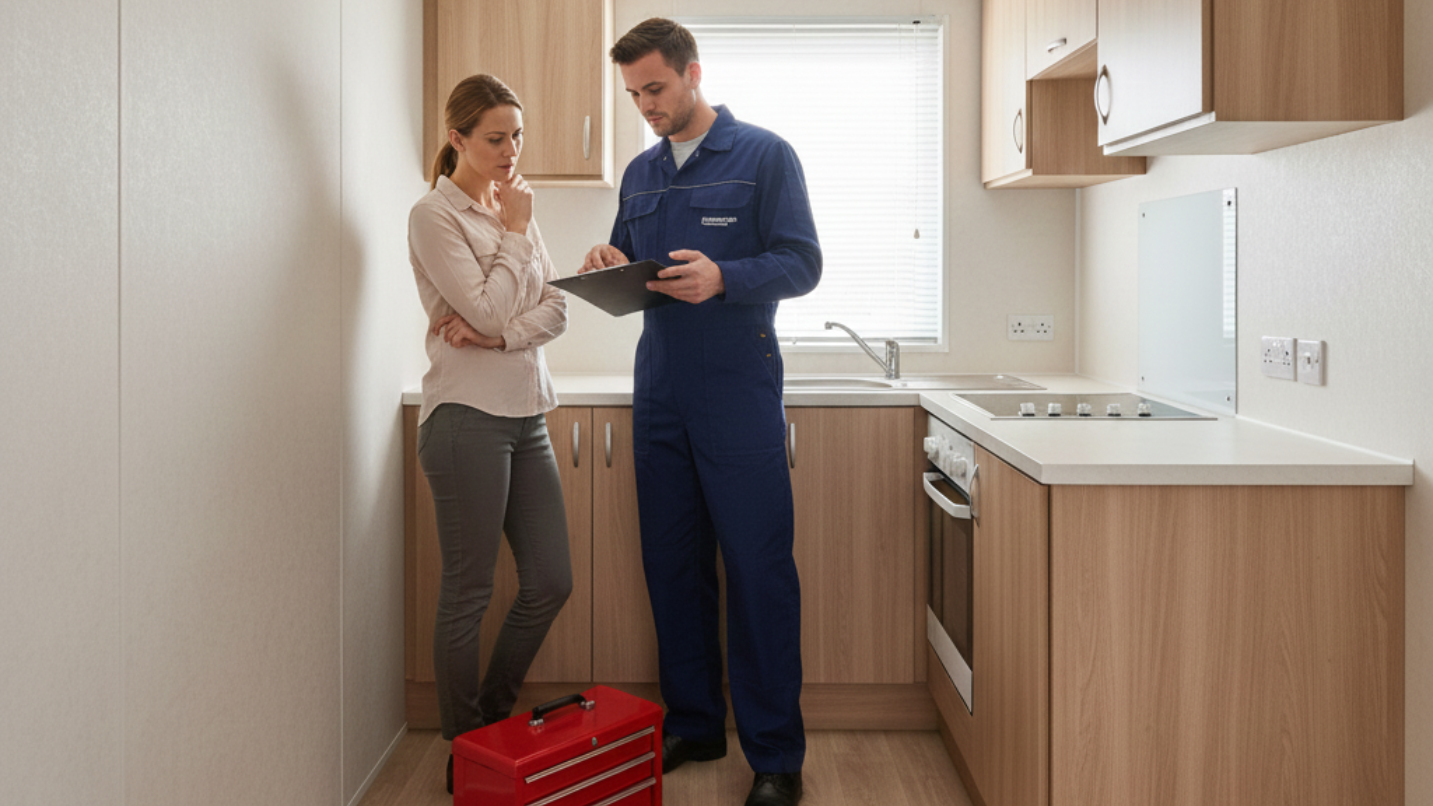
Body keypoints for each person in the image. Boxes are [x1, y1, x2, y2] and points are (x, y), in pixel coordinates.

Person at [581, 18, 821, 806]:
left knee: (757, 572)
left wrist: (726, 277)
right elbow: (628, 264)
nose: (645, 105)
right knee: (672, 565)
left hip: (738, 392)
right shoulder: (640, 174)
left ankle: (776, 758)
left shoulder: (763, 156)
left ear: (691, 74)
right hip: (660, 392)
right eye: (633, 94)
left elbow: (801, 263)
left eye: (654, 88)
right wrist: (605, 263)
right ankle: (693, 721)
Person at [409, 73, 572, 795]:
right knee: (468, 591)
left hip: (525, 414)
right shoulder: (433, 215)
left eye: (517, 136)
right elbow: (481, 306)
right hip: (465, 421)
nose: (511, 151)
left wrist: (499, 336)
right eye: (495, 138)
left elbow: (555, 307)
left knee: (549, 581)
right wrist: (509, 245)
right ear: (457, 139)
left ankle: (490, 722)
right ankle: (463, 742)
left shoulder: (516, 207)